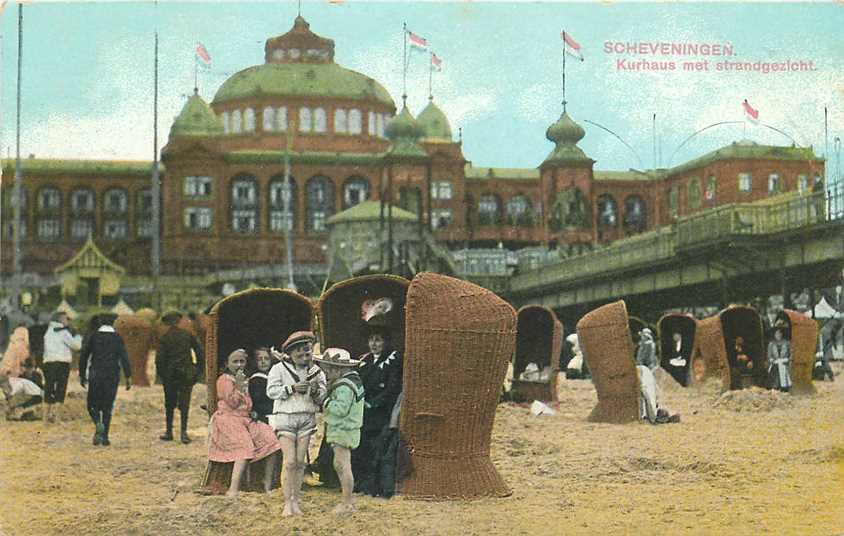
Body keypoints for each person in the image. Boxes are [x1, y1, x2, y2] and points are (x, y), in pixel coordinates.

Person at [266, 331, 327, 517]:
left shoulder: (317, 371)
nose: (304, 356)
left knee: (300, 462)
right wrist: (291, 388)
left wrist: (317, 391)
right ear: (290, 354)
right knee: (290, 461)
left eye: (307, 352)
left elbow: (323, 395)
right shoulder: (278, 369)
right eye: (299, 353)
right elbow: (271, 391)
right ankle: (286, 502)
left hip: (307, 418)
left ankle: (295, 499)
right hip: (286, 417)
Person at [208, 349, 281, 497]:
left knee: (271, 439)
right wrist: (240, 387)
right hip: (228, 419)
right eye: (235, 362)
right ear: (227, 363)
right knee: (244, 448)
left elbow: (247, 403)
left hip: (245, 419)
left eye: (242, 361)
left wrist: (251, 410)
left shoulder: (243, 379)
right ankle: (233, 489)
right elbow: (233, 402)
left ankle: (267, 484)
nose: (239, 365)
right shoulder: (224, 380)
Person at [314, 348, 364, 515]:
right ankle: (348, 500)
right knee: (341, 464)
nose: (326, 374)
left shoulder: (344, 386)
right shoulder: (353, 382)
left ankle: (347, 502)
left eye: (328, 370)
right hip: (347, 429)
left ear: (338, 369)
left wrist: (325, 401)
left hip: (343, 429)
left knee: (342, 465)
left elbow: (340, 409)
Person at [354, 325, 403, 497]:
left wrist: (373, 404)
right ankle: (362, 484)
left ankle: (375, 487)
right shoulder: (365, 361)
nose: (374, 344)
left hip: (383, 412)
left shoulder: (393, 359)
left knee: (378, 448)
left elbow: (392, 388)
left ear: (385, 342)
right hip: (365, 412)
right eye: (371, 339)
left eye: (378, 340)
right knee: (363, 448)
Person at [79, 313, 132, 446]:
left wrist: (81, 375)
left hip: (96, 373)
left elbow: (84, 356)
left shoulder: (94, 337)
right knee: (108, 406)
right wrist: (128, 376)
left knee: (92, 405)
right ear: (113, 323)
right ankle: (105, 437)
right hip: (112, 374)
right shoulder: (117, 338)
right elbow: (124, 358)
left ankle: (98, 423)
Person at [156, 311, 205, 444]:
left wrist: (163, 375)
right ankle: (183, 433)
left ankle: (169, 431)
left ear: (167, 323)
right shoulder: (187, 335)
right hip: (186, 374)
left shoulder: (165, 337)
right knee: (185, 403)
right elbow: (200, 353)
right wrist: (197, 370)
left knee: (169, 403)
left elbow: (159, 359)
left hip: (170, 375)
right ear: (178, 321)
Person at [42, 312, 82, 423]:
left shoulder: (48, 332)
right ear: (60, 320)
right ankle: (57, 419)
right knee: (60, 388)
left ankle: (45, 419)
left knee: (49, 388)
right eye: (66, 319)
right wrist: (78, 335)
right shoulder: (64, 332)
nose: (68, 321)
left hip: (49, 362)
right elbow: (77, 346)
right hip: (62, 363)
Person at [248, 347, 275, 425]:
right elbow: (257, 403)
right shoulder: (256, 380)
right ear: (255, 362)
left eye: (266, 359)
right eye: (259, 359)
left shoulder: (274, 376)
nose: (263, 362)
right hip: (264, 416)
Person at [767, 328, 792, 392]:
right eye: (776, 334)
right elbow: (769, 355)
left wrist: (788, 359)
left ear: (782, 334)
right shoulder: (771, 344)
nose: (778, 335)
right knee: (775, 371)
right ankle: (775, 386)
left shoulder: (787, 343)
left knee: (784, 371)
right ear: (774, 335)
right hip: (775, 363)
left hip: (784, 362)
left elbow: (791, 353)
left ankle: (784, 387)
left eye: (779, 333)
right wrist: (771, 359)